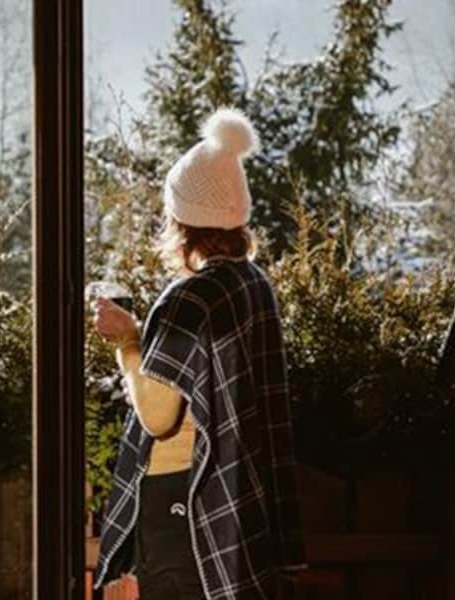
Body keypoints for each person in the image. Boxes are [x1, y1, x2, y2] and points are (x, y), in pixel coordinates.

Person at [92, 108, 307, 599]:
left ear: (182, 220)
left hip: (182, 496)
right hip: (237, 499)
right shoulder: (252, 285)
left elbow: (158, 415)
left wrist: (128, 342)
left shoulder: (189, 298)